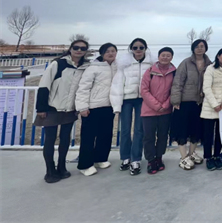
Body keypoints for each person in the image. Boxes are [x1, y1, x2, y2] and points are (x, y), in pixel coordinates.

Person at [34, 40, 91, 183]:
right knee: (50, 140)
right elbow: (44, 85)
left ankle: (61, 166)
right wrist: (41, 108)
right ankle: (50, 170)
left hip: (70, 109)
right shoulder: (58, 64)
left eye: (83, 48)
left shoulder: (85, 67)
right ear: (70, 49)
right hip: (52, 108)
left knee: (65, 139)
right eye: (76, 47)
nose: (79, 50)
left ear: (86, 51)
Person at [110, 38, 153, 176]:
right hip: (127, 99)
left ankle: (136, 159)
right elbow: (117, 84)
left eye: (141, 47)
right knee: (125, 130)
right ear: (131, 49)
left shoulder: (151, 64)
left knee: (139, 130)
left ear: (145, 48)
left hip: (143, 100)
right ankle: (125, 157)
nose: (138, 50)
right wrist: (117, 105)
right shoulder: (124, 63)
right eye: (135, 47)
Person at [75, 43, 118, 176]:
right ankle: (85, 165)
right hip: (92, 107)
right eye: (107, 51)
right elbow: (83, 88)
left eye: (113, 51)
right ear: (102, 53)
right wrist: (82, 107)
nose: (110, 53)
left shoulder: (117, 66)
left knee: (105, 135)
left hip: (109, 106)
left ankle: (100, 158)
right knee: (88, 137)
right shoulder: (93, 68)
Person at [170, 39, 211, 170]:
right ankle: (183, 157)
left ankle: (191, 153)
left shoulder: (209, 64)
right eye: (197, 46)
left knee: (196, 129)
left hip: (200, 102)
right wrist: (175, 100)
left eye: (202, 46)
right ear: (193, 49)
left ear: (206, 48)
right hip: (185, 101)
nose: (200, 48)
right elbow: (178, 82)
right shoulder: (186, 63)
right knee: (182, 129)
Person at [141, 47, 176, 174]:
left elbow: (175, 90)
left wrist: (165, 105)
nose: (165, 57)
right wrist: (157, 106)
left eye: (168, 55)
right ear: (158, 56)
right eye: (163, 55)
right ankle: (151, 160)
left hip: (165, 111)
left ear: (171, 57)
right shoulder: (150, 71)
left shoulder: (174, 72)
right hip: (149, 111)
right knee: (149, 137)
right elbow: (144, 90)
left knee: (163, 136)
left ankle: (159, 157)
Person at [201, 48, 222, 171]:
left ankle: (217, 156)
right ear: (218, 56)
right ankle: (208, 158)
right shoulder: (210, 69)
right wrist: (215, 104)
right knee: (208, 134)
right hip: (210, 107)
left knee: (221, 134)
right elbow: (206, 88)